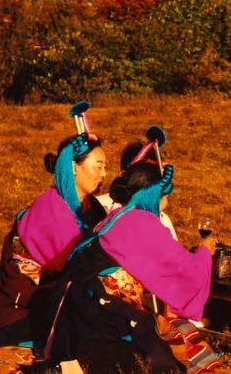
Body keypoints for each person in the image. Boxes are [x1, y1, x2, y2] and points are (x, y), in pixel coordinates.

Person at [28, 154, 216, 373]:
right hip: (96, 313)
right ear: (153, 194)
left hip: (70, 311)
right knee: (153, 354)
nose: (167, 202)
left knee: (167, 333)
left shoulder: (118, 216)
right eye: (165, 196)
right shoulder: (142, 223)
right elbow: (187, 275)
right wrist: (204, 251)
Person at [0, 104, 108, 348]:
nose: (104, 174)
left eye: (105, 167)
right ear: (74, 167)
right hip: (26, 303)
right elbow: (76, 263)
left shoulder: (91, 206)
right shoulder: (51, 209)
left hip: (59, 288)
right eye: (98, 166)